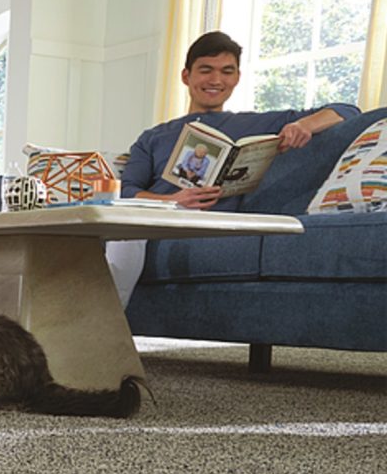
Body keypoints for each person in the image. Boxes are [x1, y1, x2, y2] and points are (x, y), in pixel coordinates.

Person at [107, 31, 361, 308]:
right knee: (122, 230)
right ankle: (98, 324)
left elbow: (346, 110)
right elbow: (127, 191)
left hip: (212, 220)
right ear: (186, 76)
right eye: (206, 70)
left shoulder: (255, 123)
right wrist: (172, 200)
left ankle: (102, 326)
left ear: (237, 78)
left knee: (127, 233)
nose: (216, 80)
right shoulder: (154, 136)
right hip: (155, 216)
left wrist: (303, 126)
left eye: (227, 71)